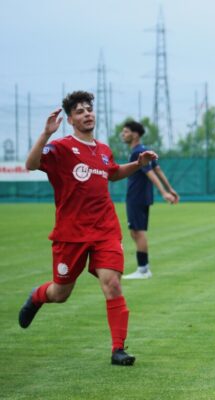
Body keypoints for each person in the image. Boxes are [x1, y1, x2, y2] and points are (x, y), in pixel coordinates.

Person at [18, 91, 158, 366]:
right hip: (71, 233)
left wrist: (137, 165)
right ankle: (37, 296)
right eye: (80, 111)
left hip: (105, 229)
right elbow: (31, 164)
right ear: (70, 119)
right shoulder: (60, 148)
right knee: (61, 293)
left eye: (89, 110)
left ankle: (118, 349)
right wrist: (46, 134)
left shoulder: (103, 150)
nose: (87, 114)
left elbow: (113, 173)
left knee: (113, 284)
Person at [121, 120, 179, 279]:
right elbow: (157, 169)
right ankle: (144, 268)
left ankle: (143, 270)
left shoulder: (137, 153)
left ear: (135, 134)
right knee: (135, 231)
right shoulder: (145, 150)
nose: (123, 135)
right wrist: (170, 189)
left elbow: (150, 172)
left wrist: (164, 192)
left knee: (138, 232)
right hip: (143, 196)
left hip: (136, 196)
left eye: (126, 132)